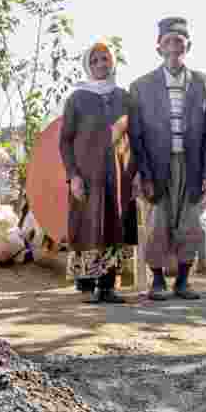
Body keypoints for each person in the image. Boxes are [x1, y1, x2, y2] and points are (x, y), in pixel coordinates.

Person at [128, 17, 206, 301]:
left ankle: (183, 280)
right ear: (159, 47)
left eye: (180, 40)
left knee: (190, 223)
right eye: (168, 40)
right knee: (158, 222)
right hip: (157, 166)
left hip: (191, 166)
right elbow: (137, 136)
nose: (174, 45)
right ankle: (157, 280)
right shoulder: (141, 86)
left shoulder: (205, 84)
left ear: (188, 46)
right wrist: (143, 173)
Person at [60, 39, 138, 303]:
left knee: (115, 226)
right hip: (87, 176)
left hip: (118, 176)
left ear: (113, 62)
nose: (100, 64)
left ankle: (109, 287)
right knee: (89, 226)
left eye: (105, 58)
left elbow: (135, 137)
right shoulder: (77, 99)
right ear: (87, 66)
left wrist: (135, 173)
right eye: (94, 60)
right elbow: (65, 140)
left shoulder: (125, 98)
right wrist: (73, 175)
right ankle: (90, 285)